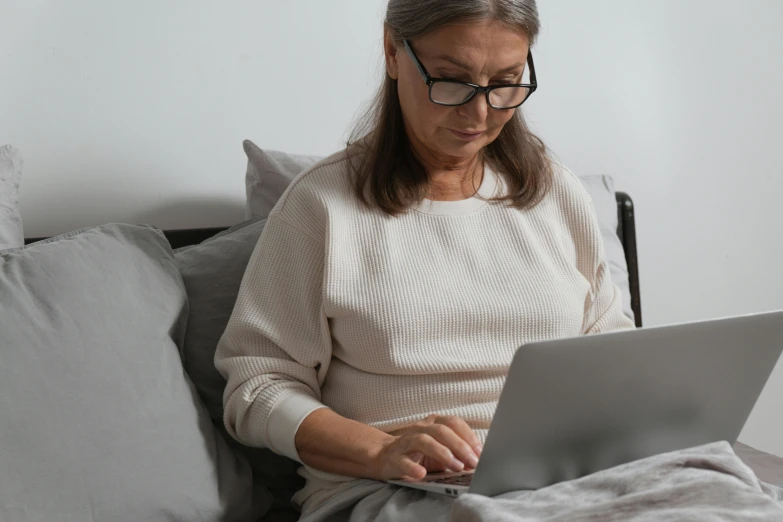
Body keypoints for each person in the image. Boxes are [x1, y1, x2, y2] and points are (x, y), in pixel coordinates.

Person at [215, 0, 635, 519]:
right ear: (393, 50)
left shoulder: (555, 192)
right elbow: (258, 387)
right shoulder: (320, 207)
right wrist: (378, 451)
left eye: (506, 81)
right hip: (391, 490)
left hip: (565, 474)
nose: (480, 113)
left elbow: (611, 345)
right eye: (450, 80)